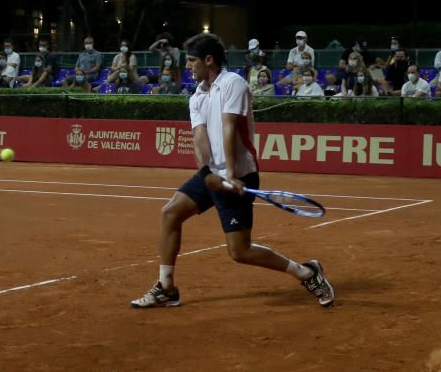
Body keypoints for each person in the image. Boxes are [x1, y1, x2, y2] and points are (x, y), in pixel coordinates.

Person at [130, 33, 334, 309]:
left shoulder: (233, 84)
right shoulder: (197, 96)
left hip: (239, 173)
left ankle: (307, 272)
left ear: (208, 60)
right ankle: (166, 287)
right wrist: (206, 173)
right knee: (170, 213)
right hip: (213, 175)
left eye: (192, 61)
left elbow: (229, 126)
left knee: (240, 251)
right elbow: (200, 138)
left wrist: (229, 174)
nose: (188, 66)